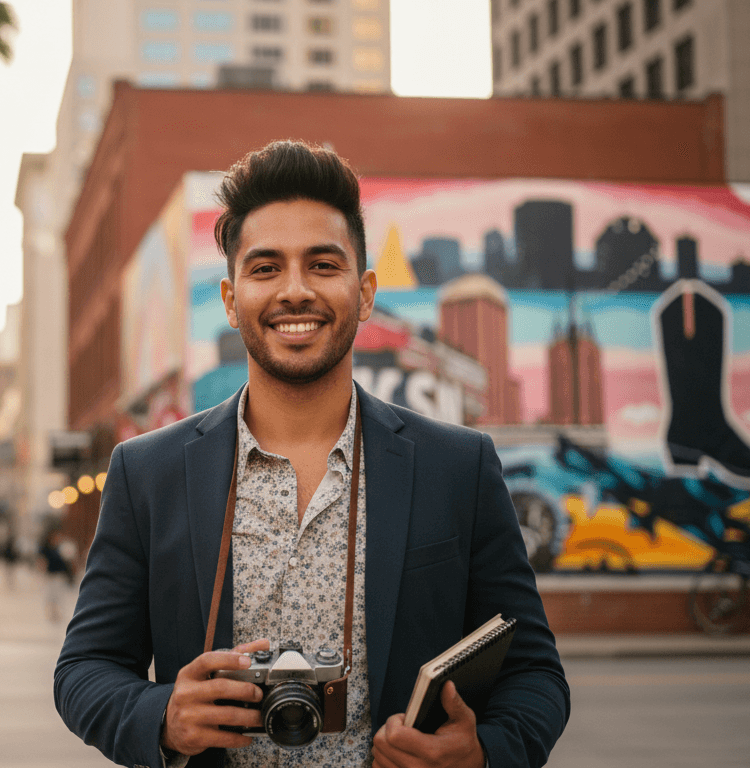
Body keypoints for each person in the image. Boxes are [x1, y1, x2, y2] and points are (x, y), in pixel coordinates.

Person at [54, 140, 570, 768]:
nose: (295, 291)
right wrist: (162, 716)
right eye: (265, 268)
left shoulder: (457, 467)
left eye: (323, 265)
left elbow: (536, 674)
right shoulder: (148, 473)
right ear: (230, 296)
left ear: (366, 290)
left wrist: (485, 753)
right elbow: (85, 668)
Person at [38, 529, 74, 623]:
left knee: (59, 595)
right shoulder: (46, 549)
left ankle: (59, 613)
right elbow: (42, 562)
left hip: (59, 576)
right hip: (51, 576)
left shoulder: (61, 548)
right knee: (50, 595)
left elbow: (66, 563)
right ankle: (53, 612)